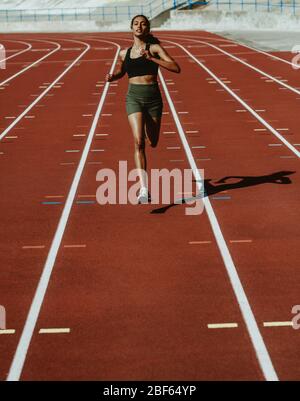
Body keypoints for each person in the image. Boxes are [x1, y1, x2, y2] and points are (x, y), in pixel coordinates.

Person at [105, 14, 181, 204]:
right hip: (134, 98)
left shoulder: (154, 48)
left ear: (147, 29)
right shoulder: (124, 53)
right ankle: (144, 189)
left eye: (143, 24)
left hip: (153, 98)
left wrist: (152, 59)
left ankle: (149, 127)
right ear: (131, 28)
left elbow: (175, 67)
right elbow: (121, 72)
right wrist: (112, 77)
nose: (139, 26)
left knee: (152, 141)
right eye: (136, 24)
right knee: (138, 142)